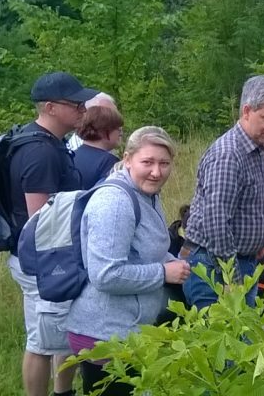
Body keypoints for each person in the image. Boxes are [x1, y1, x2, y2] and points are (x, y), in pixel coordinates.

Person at [65, 126, 190, 396]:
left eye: (164, 163)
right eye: (148, 162)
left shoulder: (146, 194)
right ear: (128, 158)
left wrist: (176, 263)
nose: (157, 172)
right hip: (104, 335)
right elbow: (105, 274)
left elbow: (145, 251)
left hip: (130, 330)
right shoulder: (115, 202)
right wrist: (163, 273)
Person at [7, 71, 95, 396]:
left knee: (61, 331)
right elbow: (39, 221)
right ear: (50, 108)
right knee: (41, 340)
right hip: (43, 261)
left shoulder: (50, 144)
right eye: (75, 104)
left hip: (52, 257)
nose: (83, 109)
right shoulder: (39, 152)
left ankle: (63, 392)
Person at [183, 75, 264, 309]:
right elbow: (216, 222)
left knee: (243, 339)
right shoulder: (228, 155)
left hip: (243, 260)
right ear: (247, 111)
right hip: (214, 266)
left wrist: (259, 240)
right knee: (222, 342)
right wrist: (231, 278)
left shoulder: (258, 146)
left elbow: (255, 200)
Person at [73, 105, 123, 189]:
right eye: (118, 129)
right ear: (104, 130)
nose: (121, 133)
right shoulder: (109, 162)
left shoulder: (72, 155)